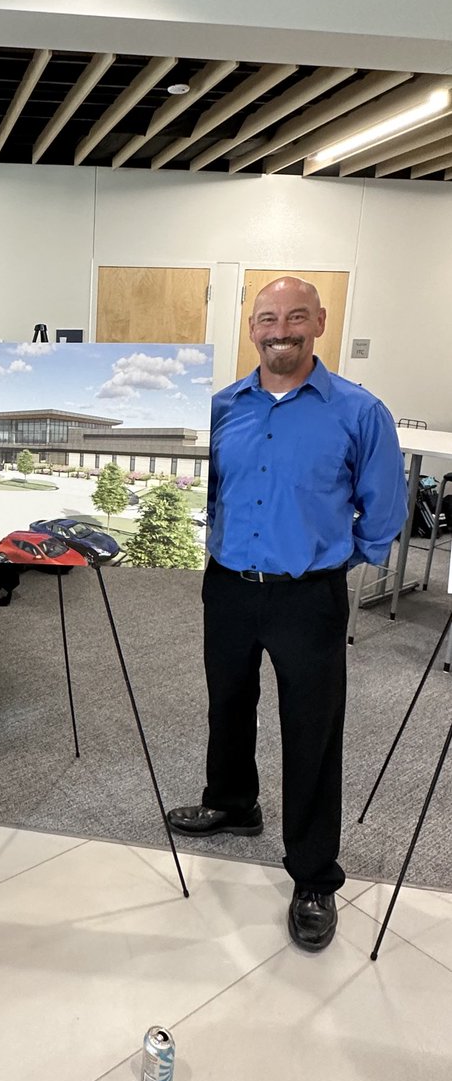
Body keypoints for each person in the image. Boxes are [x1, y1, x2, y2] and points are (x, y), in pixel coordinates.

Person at [166, 276, 408, 952]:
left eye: (296, 317)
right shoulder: (220, 408)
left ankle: (312, 876)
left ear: (320, 323)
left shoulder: (359, 412)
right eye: (268, 318)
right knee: (228, 702)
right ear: (251, 329)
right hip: (230, 586)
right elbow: (203, 496)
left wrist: (329, 559)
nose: (282, 330)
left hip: (310, 593)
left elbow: (383, 513)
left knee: (312, 729)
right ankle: (233, 804)